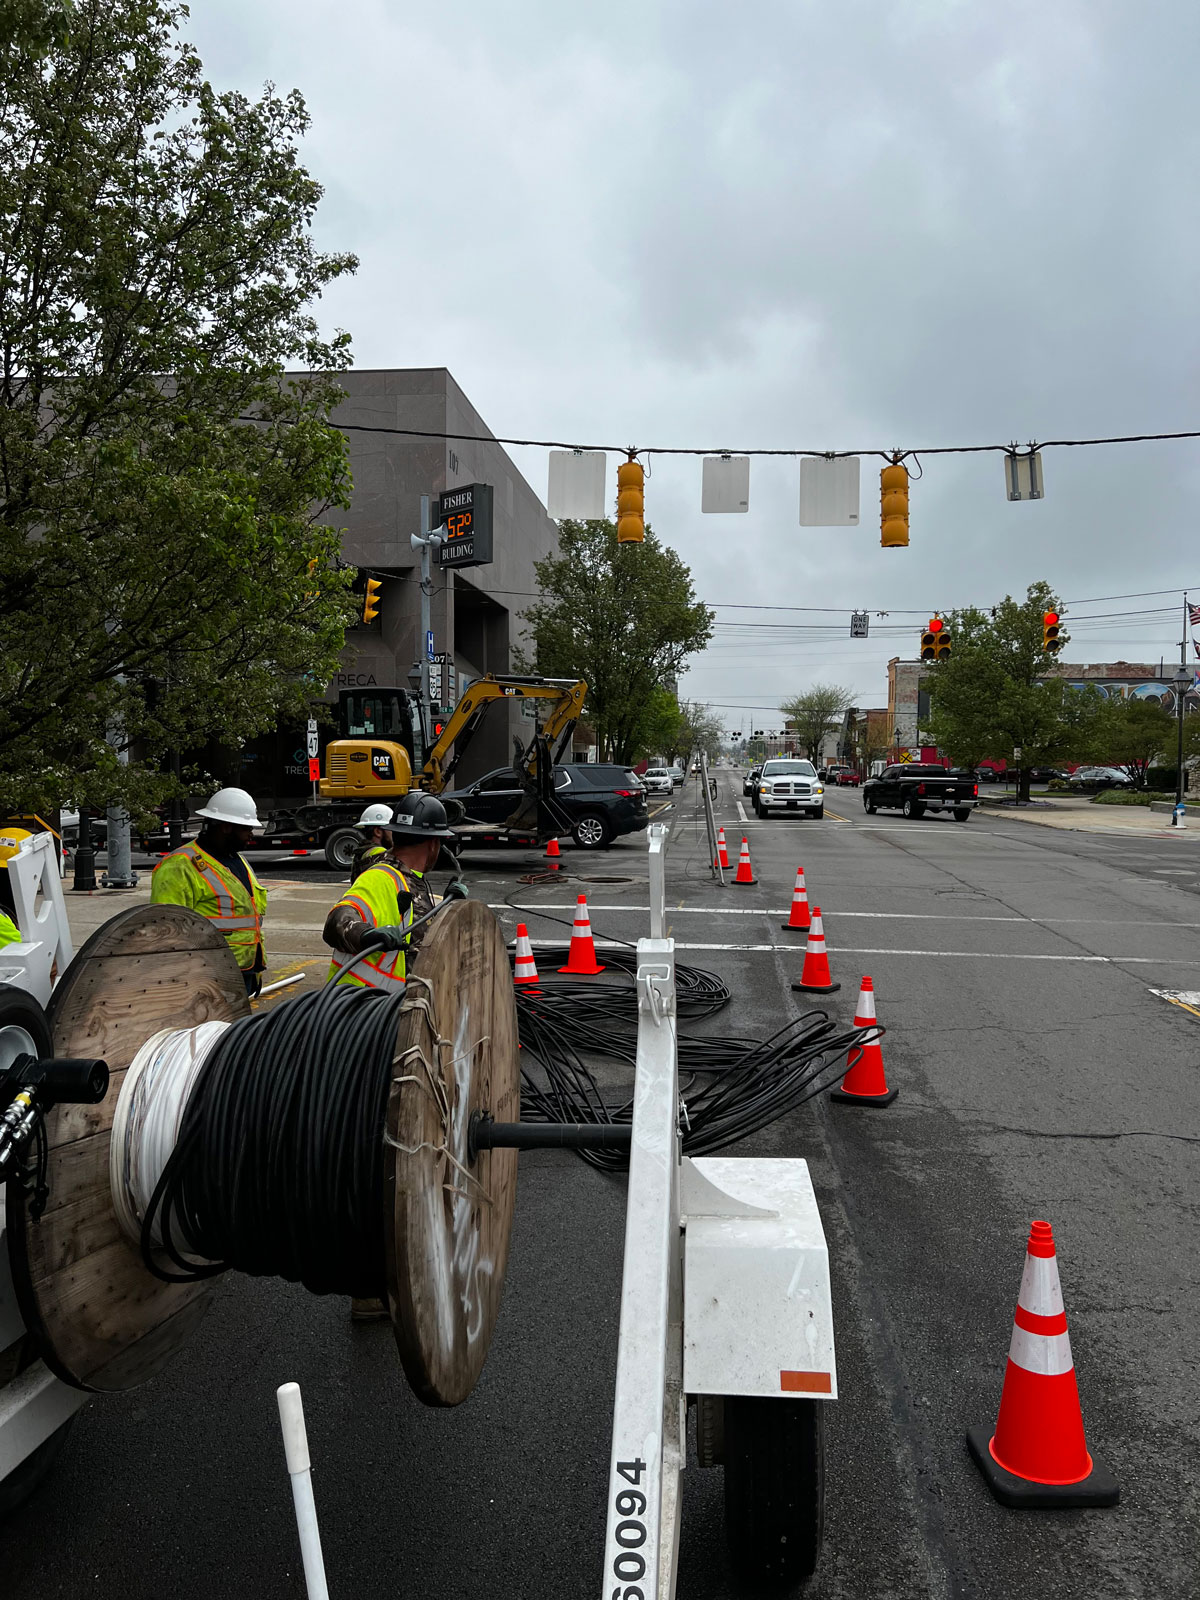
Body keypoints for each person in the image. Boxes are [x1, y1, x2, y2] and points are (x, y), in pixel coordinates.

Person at [323, 792, 460, 989]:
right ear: (433, 845)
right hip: (362, 1010)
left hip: (390, 1007)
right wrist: (367, 935)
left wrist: (450, 906)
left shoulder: (410, 879)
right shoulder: (381, 877)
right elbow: (336, 921)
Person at [150, 787, 268, 997]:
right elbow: (166, 934)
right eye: (246, 828)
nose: (251, 834)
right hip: (208, 978)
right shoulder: (179, 866)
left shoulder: (236, 860)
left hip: (242, 972)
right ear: (225, 827)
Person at [351, 802, 394, 882]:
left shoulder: (361, 852)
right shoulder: (380, 855)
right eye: (390, 829)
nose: (393, 833)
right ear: (378, 831)